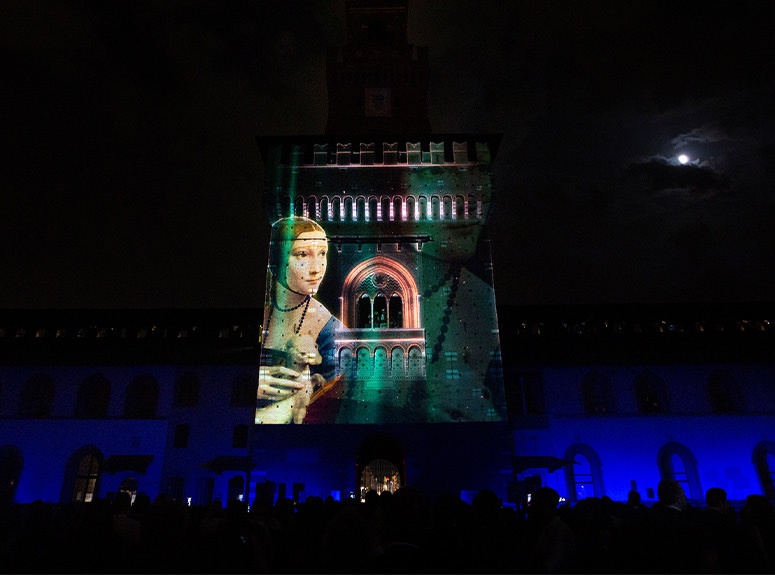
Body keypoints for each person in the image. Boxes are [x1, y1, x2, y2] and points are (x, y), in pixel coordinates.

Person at [255, 216, 344, 424]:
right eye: (302, 254)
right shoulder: (263, 316)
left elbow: (328, 409)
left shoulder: (331, 333)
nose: (316, 268)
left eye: (322, 254)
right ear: (277, 260)